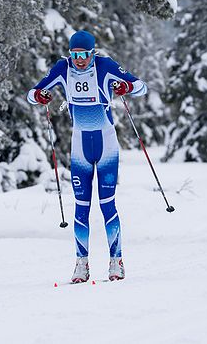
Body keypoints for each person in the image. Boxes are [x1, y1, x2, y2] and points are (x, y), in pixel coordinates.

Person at [27, 30, 147, 283]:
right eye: (75, 54)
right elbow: (33, 93)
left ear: (93, 53)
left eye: (84, 54)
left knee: (107, 204)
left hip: (106, 144)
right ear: (69, 54)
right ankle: (81, 264)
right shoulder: (63, 68)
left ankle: (117, 262)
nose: (80, 59)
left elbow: (140, 86)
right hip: (80, 145)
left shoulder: (105, 65)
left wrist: (125, 87)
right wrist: (40, 96)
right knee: (81, 207)